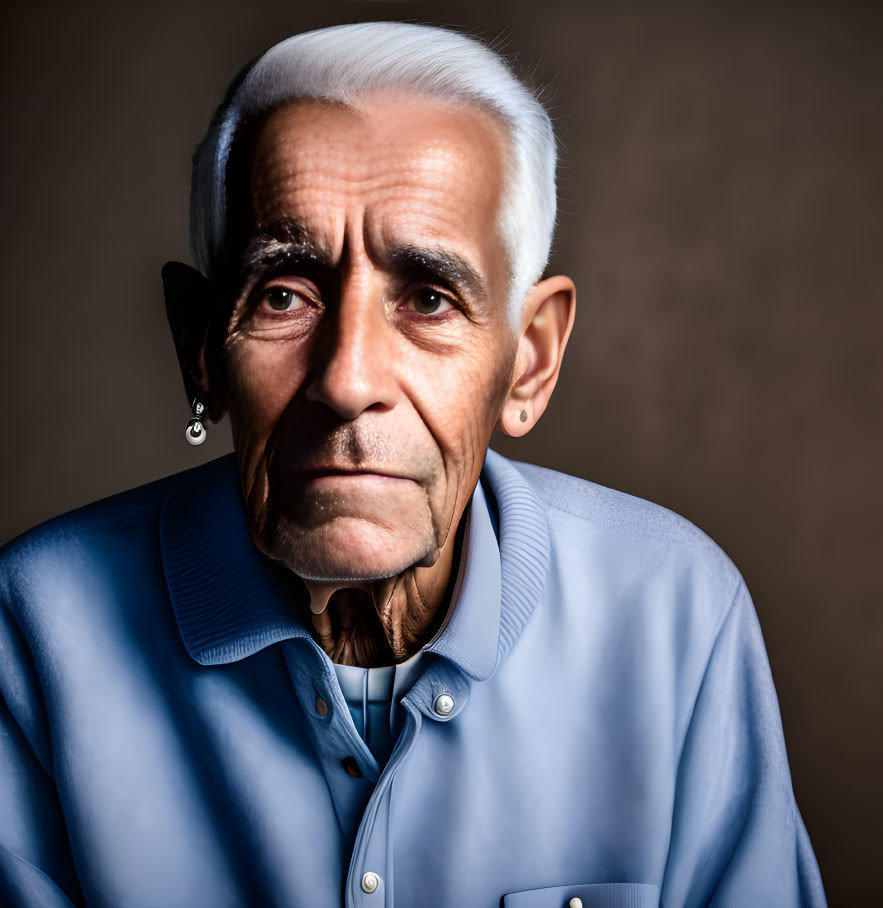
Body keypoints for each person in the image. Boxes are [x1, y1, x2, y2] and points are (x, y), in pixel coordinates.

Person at [0, 22, 825, 908]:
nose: (347, 381)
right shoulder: (35, 631)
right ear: (199, 346)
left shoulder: (675, 612)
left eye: (428, 298)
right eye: (283, 294)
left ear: (530, 359)